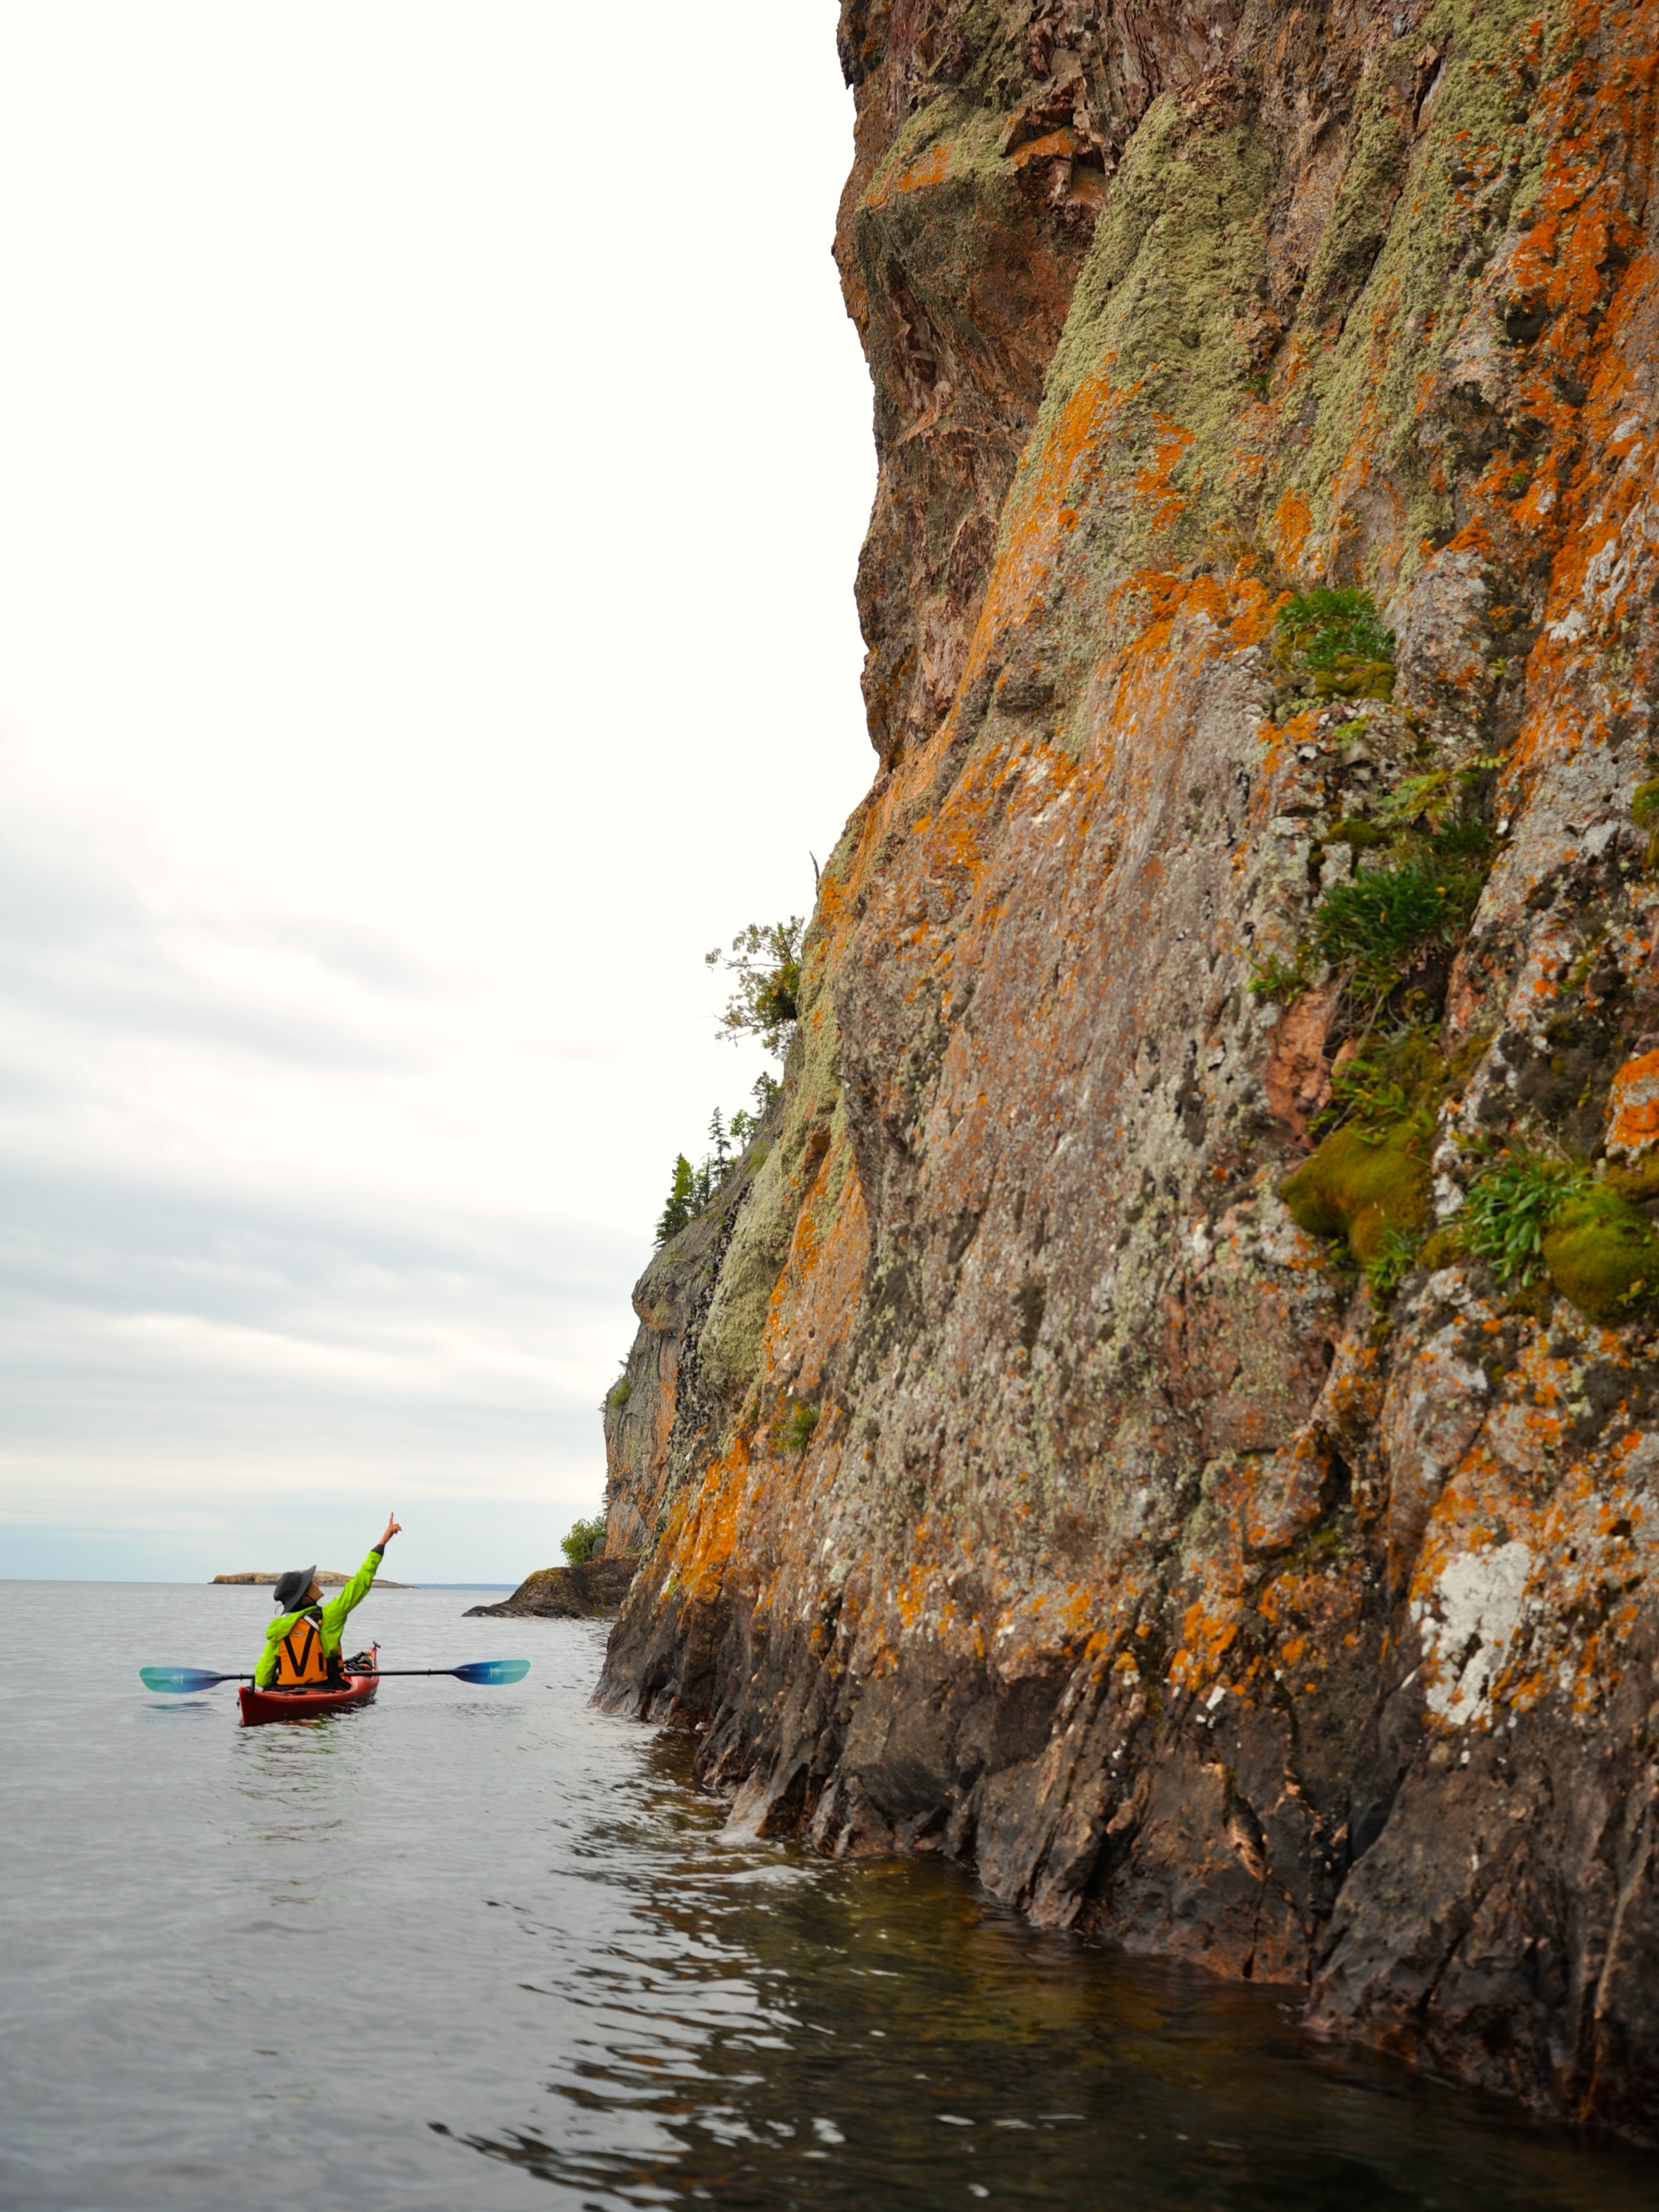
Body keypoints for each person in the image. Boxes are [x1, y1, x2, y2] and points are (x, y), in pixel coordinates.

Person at [254, 1515, 402, 1689]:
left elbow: (262, 1680)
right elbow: (359, 1585)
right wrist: (382, 1542)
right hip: (325, 1690)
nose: (316, 1582)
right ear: (305, 1596)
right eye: (311, 1583)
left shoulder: (278, 1630)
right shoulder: (329, 1617)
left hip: (287, 1692)